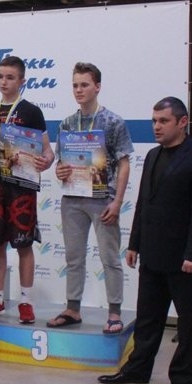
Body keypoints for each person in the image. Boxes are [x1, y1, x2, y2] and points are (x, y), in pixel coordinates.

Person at [98, 97, 192, 384]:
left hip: (185, 259)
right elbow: (145, 203)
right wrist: (134, 243)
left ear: (182, 122)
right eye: (154, 121)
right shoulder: (153, 155)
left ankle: (182, 377)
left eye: (163, 121)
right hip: (152, 252)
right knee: (148, 318)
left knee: (188, 323)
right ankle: (137, 369)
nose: (156, 127)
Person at [50, 62, 134, 334]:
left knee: (110, 258)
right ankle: (72, 308)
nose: (79, 90)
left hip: (103, 199)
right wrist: (59, 171)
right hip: (72, 198)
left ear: (97, 87)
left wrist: (117, 201)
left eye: (84, 84)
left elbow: (124, 164)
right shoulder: (67, 123)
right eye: (75, 85)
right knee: (74, 258)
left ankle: (114, 312)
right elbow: (61, 163)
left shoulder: (113, 121)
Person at [0, 55, 54, 324]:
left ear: (22, 81)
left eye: (10, 77)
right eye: (0, 76)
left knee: (24, 244)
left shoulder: (31, 112)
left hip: (22, 187)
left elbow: (48, 151)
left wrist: (46, 161)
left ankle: (26, 302)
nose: (4, 82)